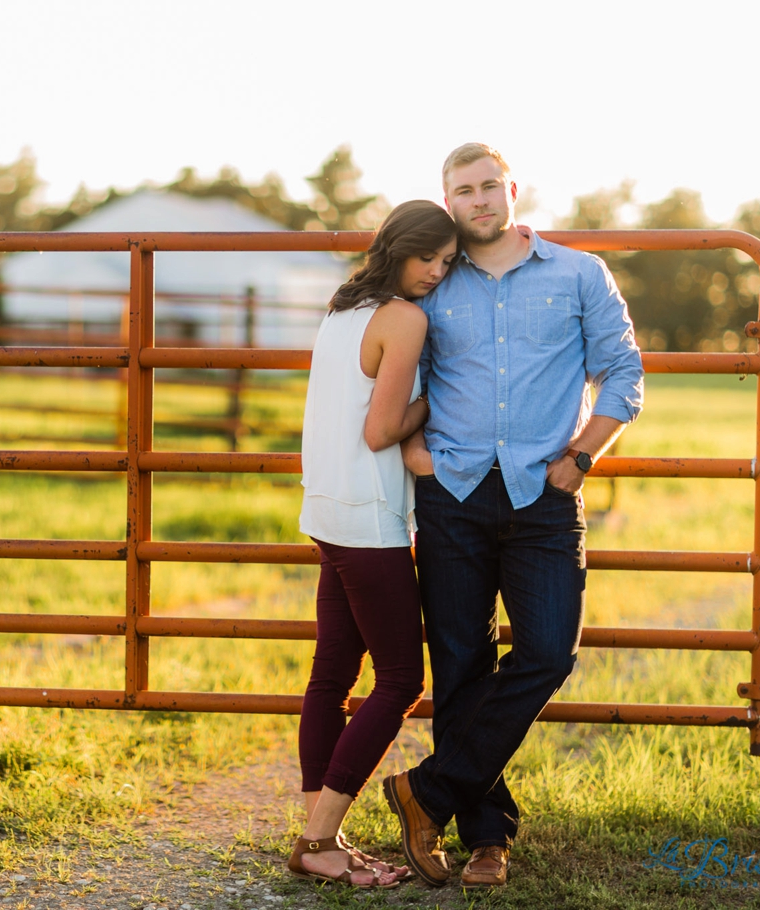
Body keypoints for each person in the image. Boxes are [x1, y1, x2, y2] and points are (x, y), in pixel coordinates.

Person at [382, 143, 645, 890]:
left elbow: (623, 369)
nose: (478, 201)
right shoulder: (431, 281)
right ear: (447, 200)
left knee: (547, 653)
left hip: (545, 495)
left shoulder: (576, 273)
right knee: (460, 662)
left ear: (512, 190)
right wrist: (413, 452)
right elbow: (401, 369)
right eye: (461, 191)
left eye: (488, 186)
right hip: (452, 495)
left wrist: (584, 456)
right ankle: (484, 840)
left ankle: (425, 791)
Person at [288, 200, 458, 890]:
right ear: (397, 249)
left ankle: (318, 835)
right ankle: (316, 838)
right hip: (367, 519)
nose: (436, 274)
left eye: (448, 263)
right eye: (428, 259)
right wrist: (440, 398)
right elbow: (379, 430)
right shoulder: (405, 318)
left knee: (331, 675)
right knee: (399, 682)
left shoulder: (343, 307)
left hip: (326, 508)